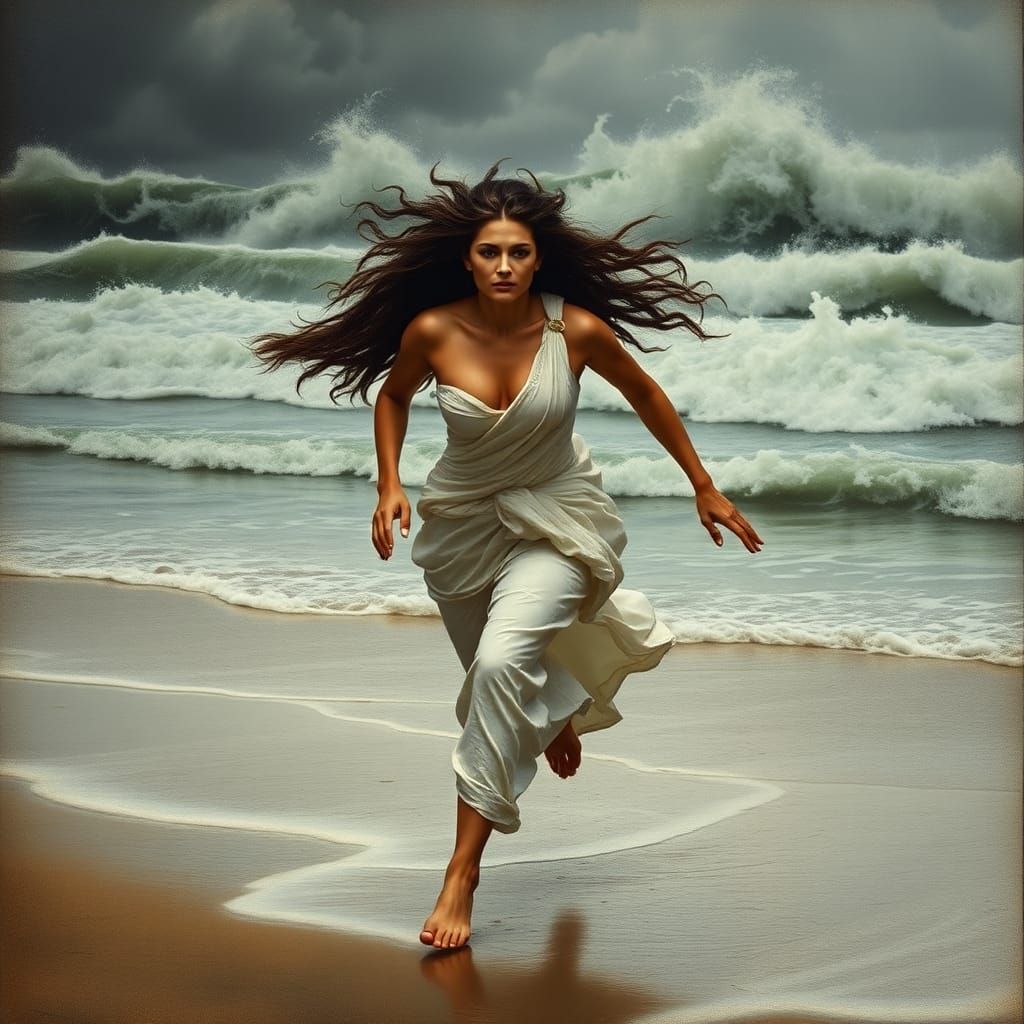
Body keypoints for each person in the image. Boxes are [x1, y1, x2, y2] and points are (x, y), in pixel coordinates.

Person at [249, 159, 763, 953]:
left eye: (518, 253)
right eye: (489, 252)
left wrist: (704, 485)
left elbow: (648, 394)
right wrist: (388, 483)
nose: (503, 266)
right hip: (461, 527)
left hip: (557, 516)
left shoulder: (575, 330)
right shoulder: (433, 331)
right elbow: (391, 397)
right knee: (493, 666)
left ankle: (462, 871)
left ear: (537, 259)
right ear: (467, 258)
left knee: (497, 666)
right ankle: (551, 712)